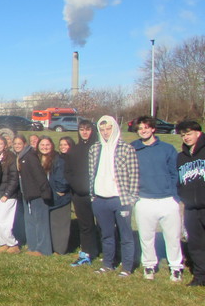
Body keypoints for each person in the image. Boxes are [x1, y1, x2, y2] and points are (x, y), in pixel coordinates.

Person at [131, 116, 184, 282]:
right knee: (146, 237)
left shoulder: (167, 149)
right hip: (144, 200)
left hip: (167, 199)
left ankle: (176, 267)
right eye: (140, 128)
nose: (143, 131)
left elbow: (175, 172)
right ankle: (149, 265)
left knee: (173, 236)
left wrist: (175, 196)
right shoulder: (133, 148)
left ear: (153, 129)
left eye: (146, 127)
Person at [88, 115, 139, 277]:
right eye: (102, 129)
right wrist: (93, 196)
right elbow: (91, 174)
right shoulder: (95, 149)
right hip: (100, 200)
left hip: (120, 199)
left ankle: (127, 267)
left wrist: (130, 199)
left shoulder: (126, 148)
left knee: (126, 235)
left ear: (115, 128)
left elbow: (134, 175)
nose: (105, 132)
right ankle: (108, 264)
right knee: (107, 234)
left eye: (108, 129)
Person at [65, 119, 99, 267]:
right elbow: (68, 172)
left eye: (88, 129)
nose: (85, 132)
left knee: (104, 225)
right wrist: (77, 187)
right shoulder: (74, 150)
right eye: (82, 129)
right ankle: (87, 252)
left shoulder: (99, 148)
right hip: (79, 194)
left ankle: (107, 251)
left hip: (99, 194)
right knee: (85, 226)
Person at [175, 120, 205, 286]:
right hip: (191, 208)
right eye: (183, 135)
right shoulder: (181, 157)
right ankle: (200, 277)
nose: (186, 137)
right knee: (196, 244)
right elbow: (179, 181)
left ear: (198, 133)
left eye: (189, 133)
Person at [14, 135, 52, 256]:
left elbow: (39, 175)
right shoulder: (21, 157)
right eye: (15, 144)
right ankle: (33, 247)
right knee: (30, 221)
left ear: (25, 144)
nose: (17, 146)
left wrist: (45, 192)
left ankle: (43, 249)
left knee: (40, 223)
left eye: (19, 143)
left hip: (37, 194)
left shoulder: (30, 156)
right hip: (27, 194)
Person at [38, 137, 72, 255]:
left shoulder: (58, 159)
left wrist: (59, 190)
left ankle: (60, 249)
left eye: (47, 144)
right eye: (42, 144)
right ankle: (50, 247)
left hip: (59, 197)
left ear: (52, 146)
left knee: (59, 224)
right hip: (47, 196)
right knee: (50, 223)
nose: (44, 147)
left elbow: (62, 177)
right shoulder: (38, 159)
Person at [0, 136, 20, 253]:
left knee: (4, 222)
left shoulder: (10, 158)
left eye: (1, 144)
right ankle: (2, 243)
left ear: (5, 146)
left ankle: (13, 244)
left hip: (7, 195)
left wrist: (7, 194)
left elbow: (14, 178)